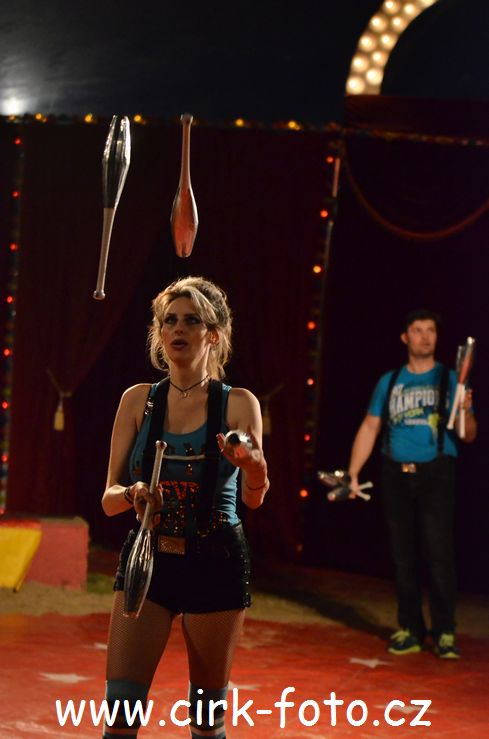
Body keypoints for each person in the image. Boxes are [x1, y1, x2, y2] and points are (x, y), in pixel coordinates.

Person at [101, 276, 270, 738]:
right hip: (149, 560)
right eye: (169, 320)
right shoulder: (138, 401)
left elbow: (254, 497)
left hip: (216, 562)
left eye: (191, 321)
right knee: (119, 716)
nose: (178, 329)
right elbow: (108, 500)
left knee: (206, 720)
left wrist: (254, 466)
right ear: (159, 331)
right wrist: (133, 494)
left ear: (212, 334)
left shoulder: (239, 404)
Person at [347, 309, 476, 660]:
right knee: (403, 557)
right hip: (395, 475)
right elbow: (370, 426)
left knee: (438, 554)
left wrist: (465, 408)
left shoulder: (449, 379)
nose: (425, 336)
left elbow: (468, 434)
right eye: (417, 330)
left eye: (430, 330)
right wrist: (354, 472)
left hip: (437, 474)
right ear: (405, 337)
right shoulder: (389, 381)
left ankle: (445, 632)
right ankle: (410, 629)